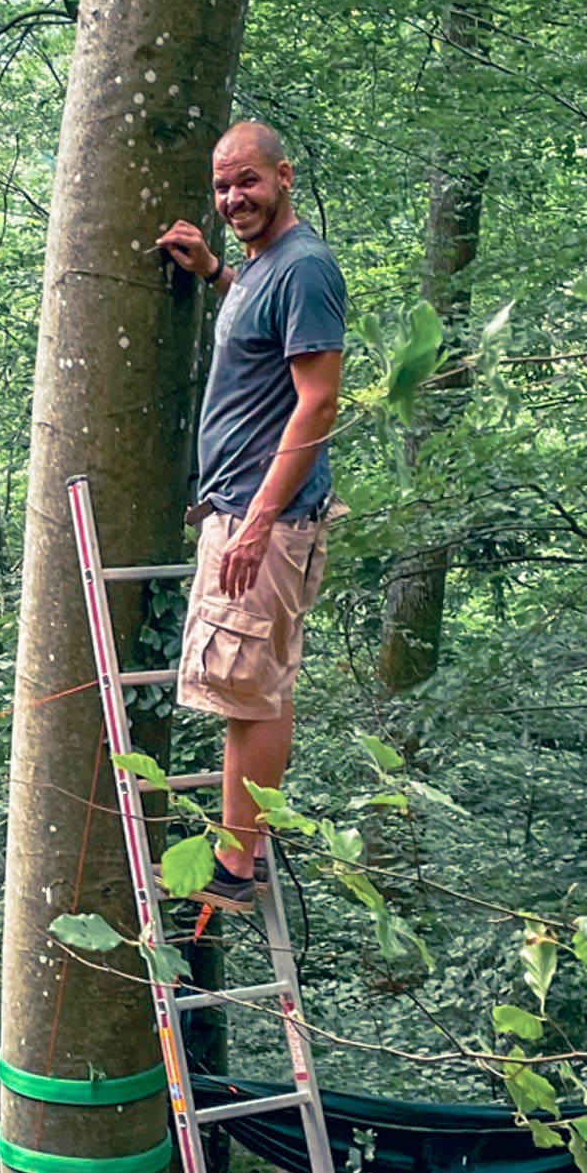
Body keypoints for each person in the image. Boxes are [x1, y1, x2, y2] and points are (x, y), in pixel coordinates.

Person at [154, 120, 348, 914]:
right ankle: (242, 849)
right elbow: (266, 330)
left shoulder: (306, 268)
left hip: (261, 515)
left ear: (284, 177)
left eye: (249, 182)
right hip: (240, 508)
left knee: (249, 693)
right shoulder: (267, 270)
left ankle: (237, 862)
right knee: (252, 684)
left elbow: (320, 400)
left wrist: (261, 519)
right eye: (224, 186)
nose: (234, 198)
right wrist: (214, 273)